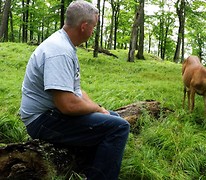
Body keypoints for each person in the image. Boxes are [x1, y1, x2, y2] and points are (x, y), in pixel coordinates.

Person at [19, 0, 130, 179]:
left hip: (51, 114)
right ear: (84, 26)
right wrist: (97, 109)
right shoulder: (60, 51)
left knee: (114, 118)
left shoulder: (65, 45)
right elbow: (67, 106)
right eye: (94, 26)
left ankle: (88, 170)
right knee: (118, 128)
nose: (93, 31)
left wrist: (101, 109)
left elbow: (76, 92)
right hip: (41, 120)